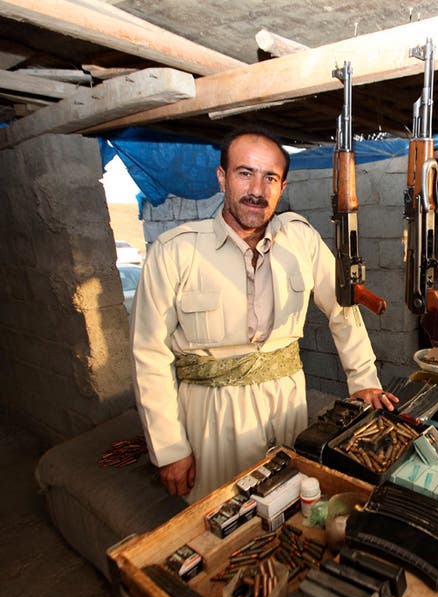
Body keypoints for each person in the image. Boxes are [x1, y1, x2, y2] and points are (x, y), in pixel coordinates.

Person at [131, 126, 397, 501]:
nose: (257, 190)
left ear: (282, 186)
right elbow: (149, 353)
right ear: (222, 178)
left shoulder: (300, 239)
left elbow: (343, 306)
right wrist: (170, 447)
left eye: (270, 177)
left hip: (287, 403)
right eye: (245, 173)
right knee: (221, 512)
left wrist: (363, 379)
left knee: (291, 499)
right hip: (212, 416)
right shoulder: (175, 251)